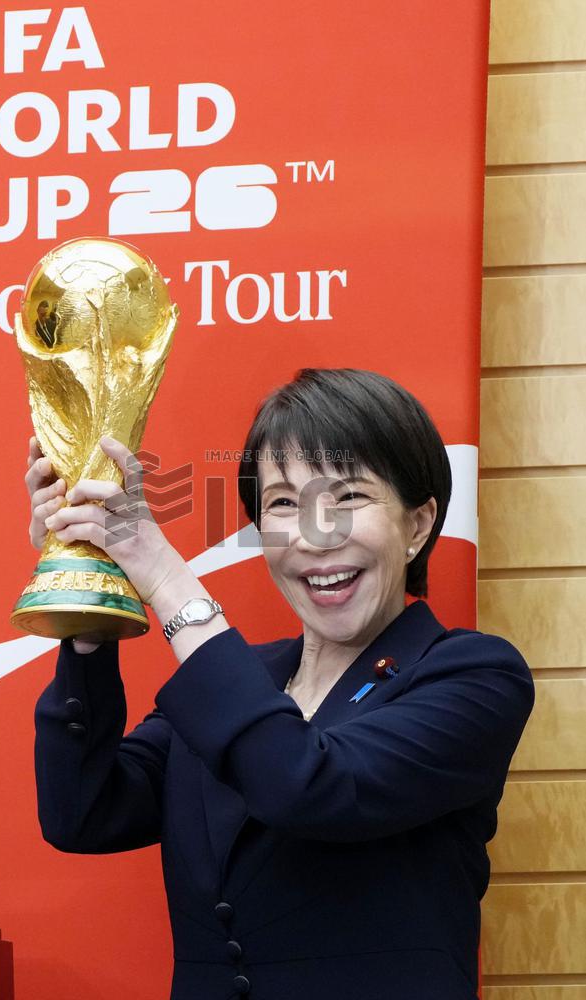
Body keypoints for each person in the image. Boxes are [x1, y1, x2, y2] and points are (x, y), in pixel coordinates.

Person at [29, 368, 534, 1000]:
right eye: (283, 504)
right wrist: (89, 589)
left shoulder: (473, 674)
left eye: (349, 497)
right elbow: (83, 813)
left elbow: (307, 785)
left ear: (418, 523)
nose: (315, 537)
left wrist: (162, 573)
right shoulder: (247, 678)